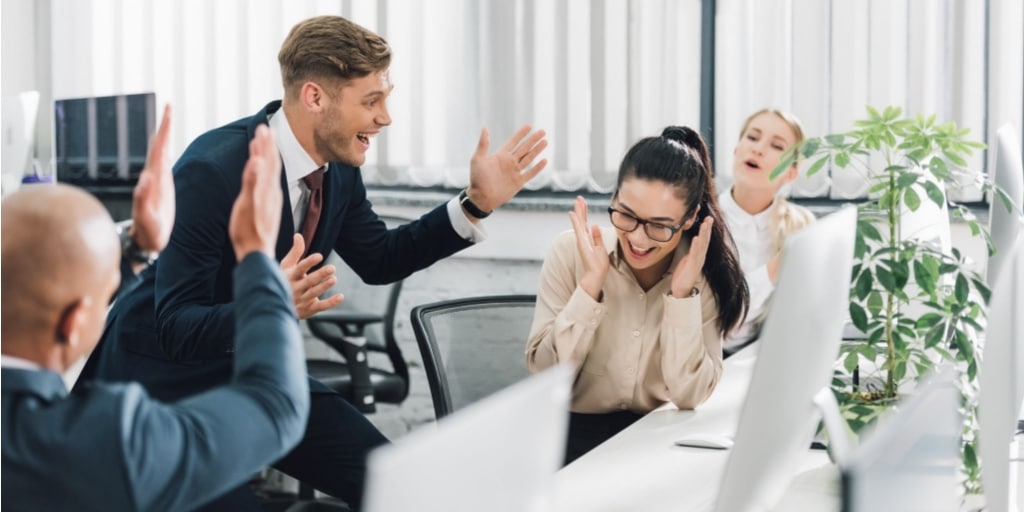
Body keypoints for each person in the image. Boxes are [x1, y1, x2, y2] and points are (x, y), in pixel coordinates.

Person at [80, 15, 548, 510]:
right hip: (161, 384)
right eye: (372, 101)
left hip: (253, 369)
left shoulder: (337, 168)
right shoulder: (211, 169)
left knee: (395, 486)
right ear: (314, 97)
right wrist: (270, 302)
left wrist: (474, 204)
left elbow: (380, 258)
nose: (385, 118)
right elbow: (176, 326)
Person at [1, 108, 311, 511]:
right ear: (75, 322)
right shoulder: (106, 441)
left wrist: (138, 250)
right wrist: (256, 255)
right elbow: (275, 407)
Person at [526, 126, 750, 464]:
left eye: (660, 225)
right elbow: (547, 380)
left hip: (655, 439)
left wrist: (681, 296)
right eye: (627, 215)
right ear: (614, 197)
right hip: (567, 439)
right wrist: (591, 286)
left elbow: (689, 395)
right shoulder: (570, 251)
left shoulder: (702, 270)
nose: (639, 240)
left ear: (689, 219)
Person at [718, 108, 816, 355]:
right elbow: (720, 323)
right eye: (752, 137)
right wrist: (776, 269)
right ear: (736, 150)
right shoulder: (699, 220)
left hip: (767, 358)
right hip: (701, 364)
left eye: (777, 146)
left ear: (791, 173)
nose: (758, 149)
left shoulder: (802, 226)